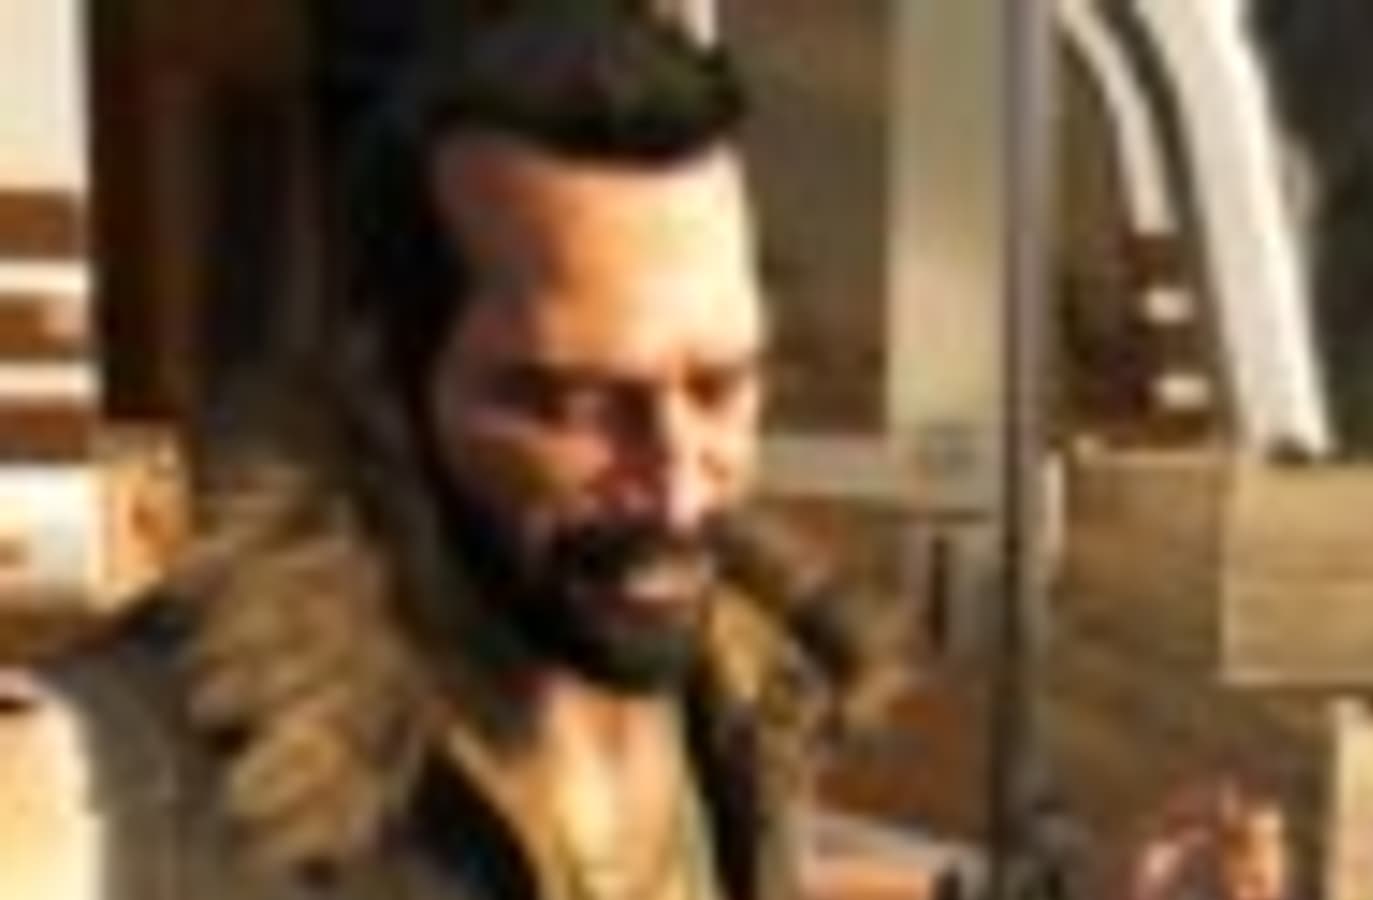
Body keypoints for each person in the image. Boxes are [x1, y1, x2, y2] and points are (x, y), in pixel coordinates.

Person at [33, 5, 906, 899]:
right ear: (386, 383)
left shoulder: (755, 692)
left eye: (720, 387)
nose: (681, 490)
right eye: (575, 407)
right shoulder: (141, 777)